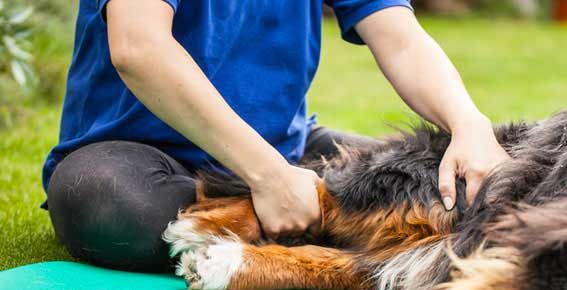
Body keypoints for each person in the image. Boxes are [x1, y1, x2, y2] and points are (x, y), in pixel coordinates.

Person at [43, 0, 510, 273]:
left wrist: (467, 122)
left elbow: (401, 39)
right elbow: (138, 46)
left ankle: (293, 215)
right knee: (103, 203)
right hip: (142, 158)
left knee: (432, 180)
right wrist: (265, 177)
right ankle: (331, 220)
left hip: (290, 154)